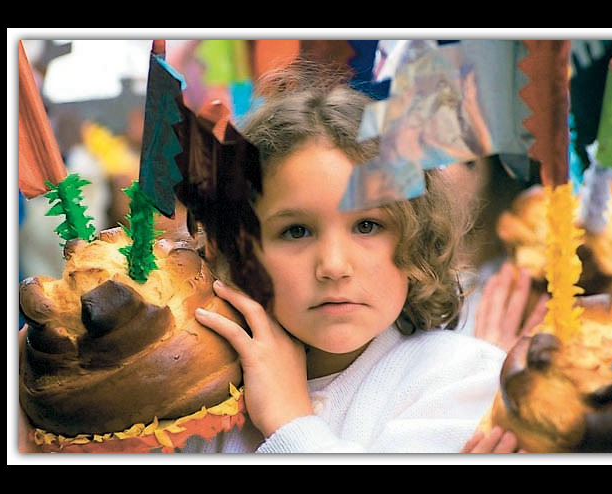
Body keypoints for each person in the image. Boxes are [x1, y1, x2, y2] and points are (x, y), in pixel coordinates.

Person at [188, 61, 532, 453]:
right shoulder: (194, 410)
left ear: (416, 236)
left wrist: (290, 423)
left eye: (367, 226)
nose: (334, 266)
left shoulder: (467, 380)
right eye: (296, 231)